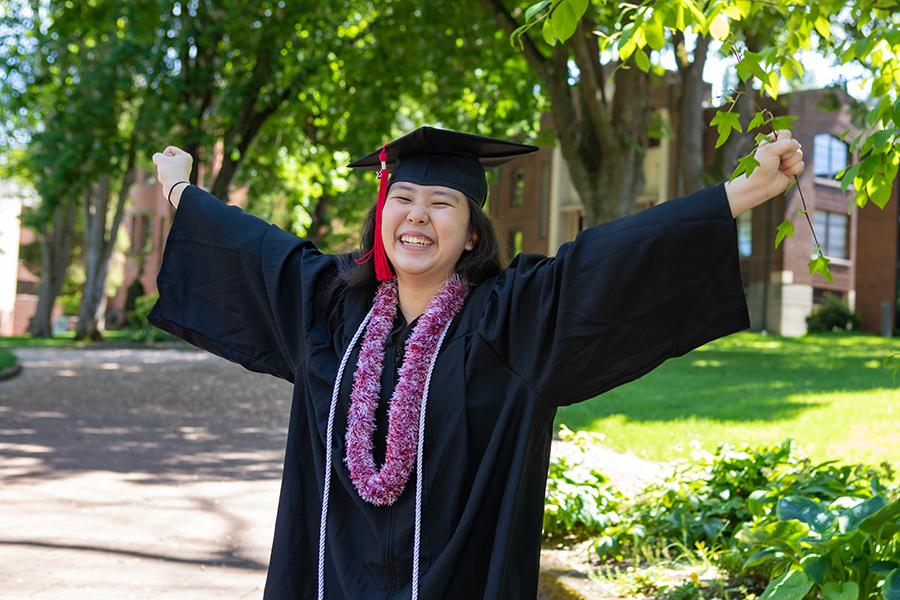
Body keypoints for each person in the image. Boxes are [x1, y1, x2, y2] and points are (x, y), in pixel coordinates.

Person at [150, 126, 804, 600]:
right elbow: (257, 250)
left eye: (442, 203)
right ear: (382, 214)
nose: (417, 215)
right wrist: (180, 192)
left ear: (470, 233)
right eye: (403, 197)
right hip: (330, 580)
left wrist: (744, 191)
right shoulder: (331, 311)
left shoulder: (509, 320)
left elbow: (604, 265)